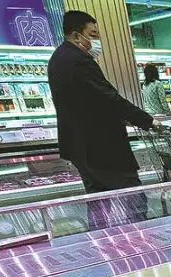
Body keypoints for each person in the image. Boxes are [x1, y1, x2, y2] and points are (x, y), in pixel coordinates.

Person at [48, 10, 154, 194]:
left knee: (98, 198)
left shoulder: (57, 58)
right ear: (76, 35)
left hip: (80, 147)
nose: (97, 41)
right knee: (132, 197)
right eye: (93, 35)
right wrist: (148, 121)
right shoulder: (78, 60)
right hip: (101, 148)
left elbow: (87, 100)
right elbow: (108, 97)